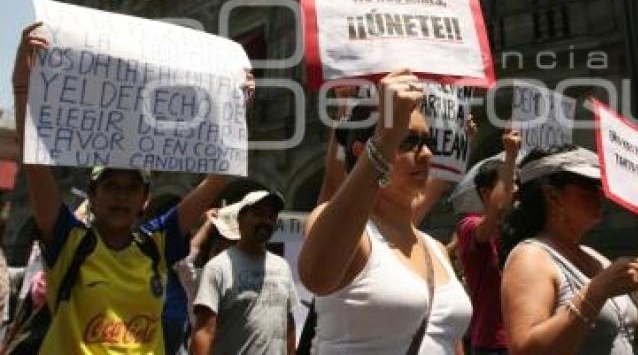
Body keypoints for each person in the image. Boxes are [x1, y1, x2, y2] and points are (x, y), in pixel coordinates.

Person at [12, 22, 241, 354]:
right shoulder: (69, 242)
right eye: (111, 186)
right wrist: (22, 84)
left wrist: (237, 105)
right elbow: (32, 161)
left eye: (132, 188)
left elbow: (219, 177)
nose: (121, 194)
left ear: (145, 199)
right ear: (92, 196)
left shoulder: (156, 245)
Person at [299, 71, 472, 354]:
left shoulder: (437, 249)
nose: (426, 154)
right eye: (408, 141)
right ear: (362, 149)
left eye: (429, 142)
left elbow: (448, 342)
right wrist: (386, 137)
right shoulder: (351, 235)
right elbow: (317, 276)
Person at [500, 145, 638, 354]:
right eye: (589, 185)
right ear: (552, 195)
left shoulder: (595, 257)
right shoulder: (531, 257)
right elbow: (525, 350)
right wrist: (598, 291)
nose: (601, 194)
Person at [191, 190, 298, 355]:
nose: (266, 221)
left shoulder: (283, 266)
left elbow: (288, 325)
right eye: (258, 214)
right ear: (239, 219)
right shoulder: (217, 267)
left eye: (271, 216)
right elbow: (204, 332)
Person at [457, 129, 520, 355]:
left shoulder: (517, 230)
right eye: (507, 182)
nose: (515, 189)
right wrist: (510, 156)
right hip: (493, 344)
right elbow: (499, 207)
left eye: (515, 182)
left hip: (523, 339)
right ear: (485, 193)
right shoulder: (469, 226)